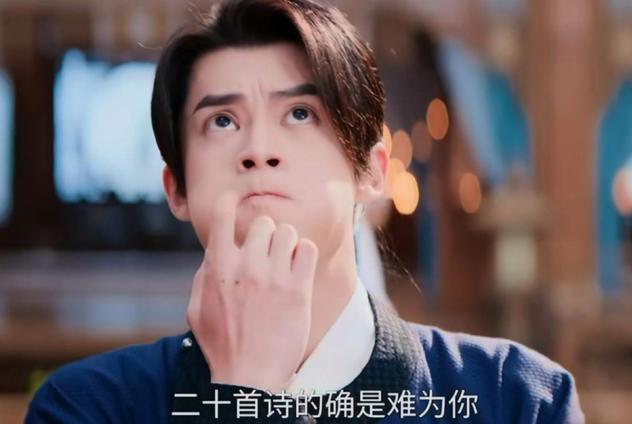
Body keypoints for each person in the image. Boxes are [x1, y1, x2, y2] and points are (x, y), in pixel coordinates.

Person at [25, 0, 585, 422]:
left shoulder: (516, 398)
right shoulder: (89, 407)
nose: (258, 149)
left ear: (373, 171)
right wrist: (244, 391)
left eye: (299, 113)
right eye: (222, 121)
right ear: (178, 190)